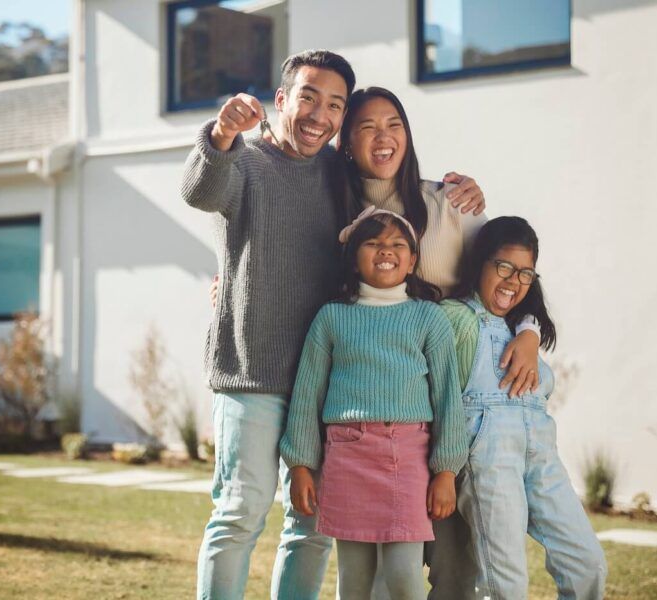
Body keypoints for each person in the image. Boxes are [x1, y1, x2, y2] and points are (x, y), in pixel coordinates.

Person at [181, 49, 484, 599]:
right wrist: (221, 132)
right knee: (239, 515)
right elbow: (200, 191)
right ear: (281, 100)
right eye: (308, 97)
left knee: (311, 529)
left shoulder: (338, 175)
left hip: (324, 387)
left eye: (335, 105)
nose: (320, 114)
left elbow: (389, 180)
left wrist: (459, 189)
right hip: (252, 372)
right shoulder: (243, 161)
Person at [332, 86, 545, 599]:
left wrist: (531, 327)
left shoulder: (449, 202)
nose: (383, 138)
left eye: (394, 124)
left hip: (454, 408)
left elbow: (512, 272)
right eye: (366, 127)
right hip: (382, 414)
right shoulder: (333, 214)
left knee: (454, 567)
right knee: (384, 568)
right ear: (346, 144)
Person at [280, 209, 468, 599]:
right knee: (354, 580)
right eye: (374, 242)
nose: (386, 250)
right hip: (347, 457)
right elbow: (307, 395)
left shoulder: (428, 318)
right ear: (354, 257)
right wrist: (300, 464)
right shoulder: (332, 318)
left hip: (407, 457)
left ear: (413, 260)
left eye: (398, 244)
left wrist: (447, 470)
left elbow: (448, 396)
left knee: (403, 576)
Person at [441, 216, 608, 599]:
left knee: (588, 564)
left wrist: (530, 329)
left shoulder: (523, 327)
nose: (513, 281)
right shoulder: (455, 319)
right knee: (506, 585)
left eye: (526, 273)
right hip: (489, 457)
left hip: (542, 455)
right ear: (479, 261)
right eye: (504, 267)